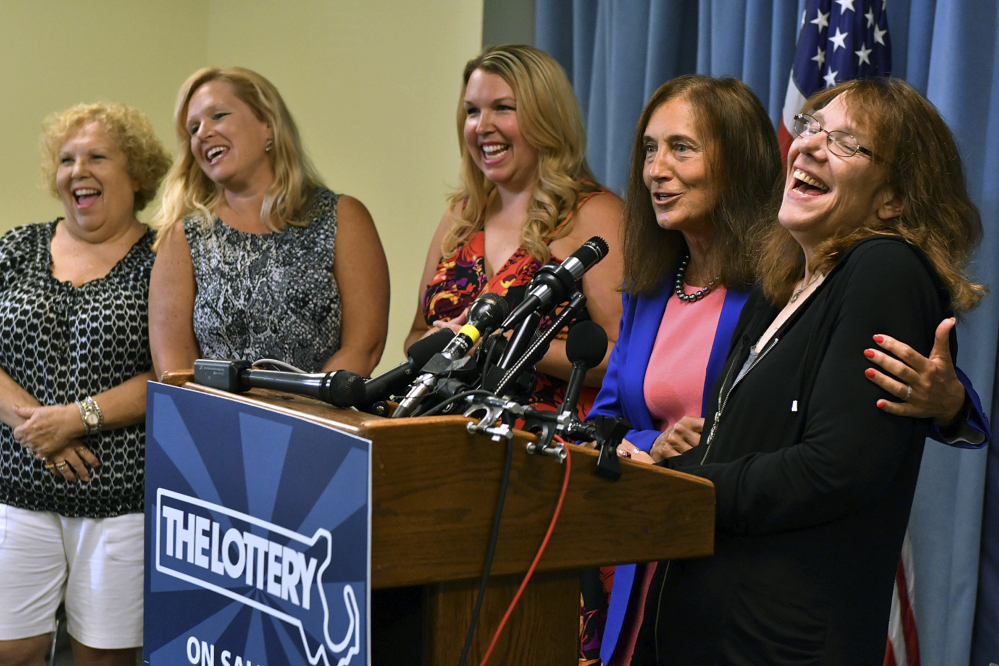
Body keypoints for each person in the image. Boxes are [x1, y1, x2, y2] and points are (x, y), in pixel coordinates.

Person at [587, 76, 989, 665]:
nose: (811, 145)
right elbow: (734, 442)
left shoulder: (883, 269)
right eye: (811, 128)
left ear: (894, 198)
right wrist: (658, 462)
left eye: (848, 143)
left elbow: (837, 468)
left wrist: (679, 484)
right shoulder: (783, 285)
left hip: (779, 642)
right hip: (702, 626)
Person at [0, 103, 171, 666]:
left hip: (120, 499)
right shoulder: (16, 247)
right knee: (12, 650)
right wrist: (39, 426)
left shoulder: (167, 256)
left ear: (137, 174)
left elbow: (175, 369)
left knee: (103, 657)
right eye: (67, 160)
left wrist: (78, 418)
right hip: (15, 490)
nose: (79, 171)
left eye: (98, 156)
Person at [405, 44, 624, 417]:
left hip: (543, 439)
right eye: (472, 111)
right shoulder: (461, 215)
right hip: (440, 423)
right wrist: (439, 341)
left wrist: (498, 342)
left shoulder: (597, 215)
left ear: (547, 118)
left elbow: (620, 359)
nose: (482, 126)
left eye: (503, 108)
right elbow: (414, 336)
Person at [150, 66, 389, 378]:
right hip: (215, 423)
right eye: (193, 128)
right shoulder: (183, 237)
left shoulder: (343, 217)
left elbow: (364, 347)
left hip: (319, 420)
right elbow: (175, 373)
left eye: (218, 116)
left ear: (268, 125)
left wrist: (303, 416)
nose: (203, 134)